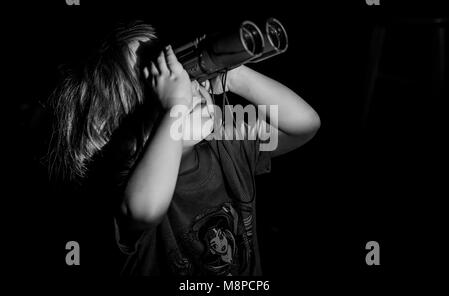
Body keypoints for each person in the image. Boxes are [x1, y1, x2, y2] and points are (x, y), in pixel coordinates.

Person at [48, 21, 320, 276]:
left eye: (180, 70)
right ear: (116, 120)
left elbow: (304, 125)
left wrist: (233, 74)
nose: (187, 85)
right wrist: (176, 108)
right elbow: (145, 210)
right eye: (162, 82)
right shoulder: (125, 184)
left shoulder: (228, 142)